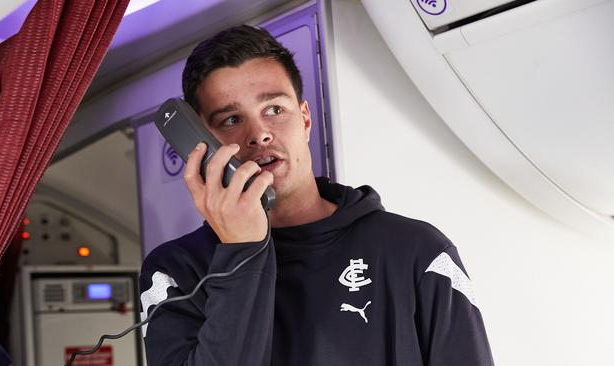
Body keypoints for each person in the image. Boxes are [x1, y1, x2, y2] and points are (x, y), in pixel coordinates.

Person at [139, 25, 493, 365]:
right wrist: (240, 252)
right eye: (231, 119)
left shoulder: (418, 251)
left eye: (274, 110)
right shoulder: (174, 273)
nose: (258, 134)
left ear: (305, 120)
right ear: (201, 145)